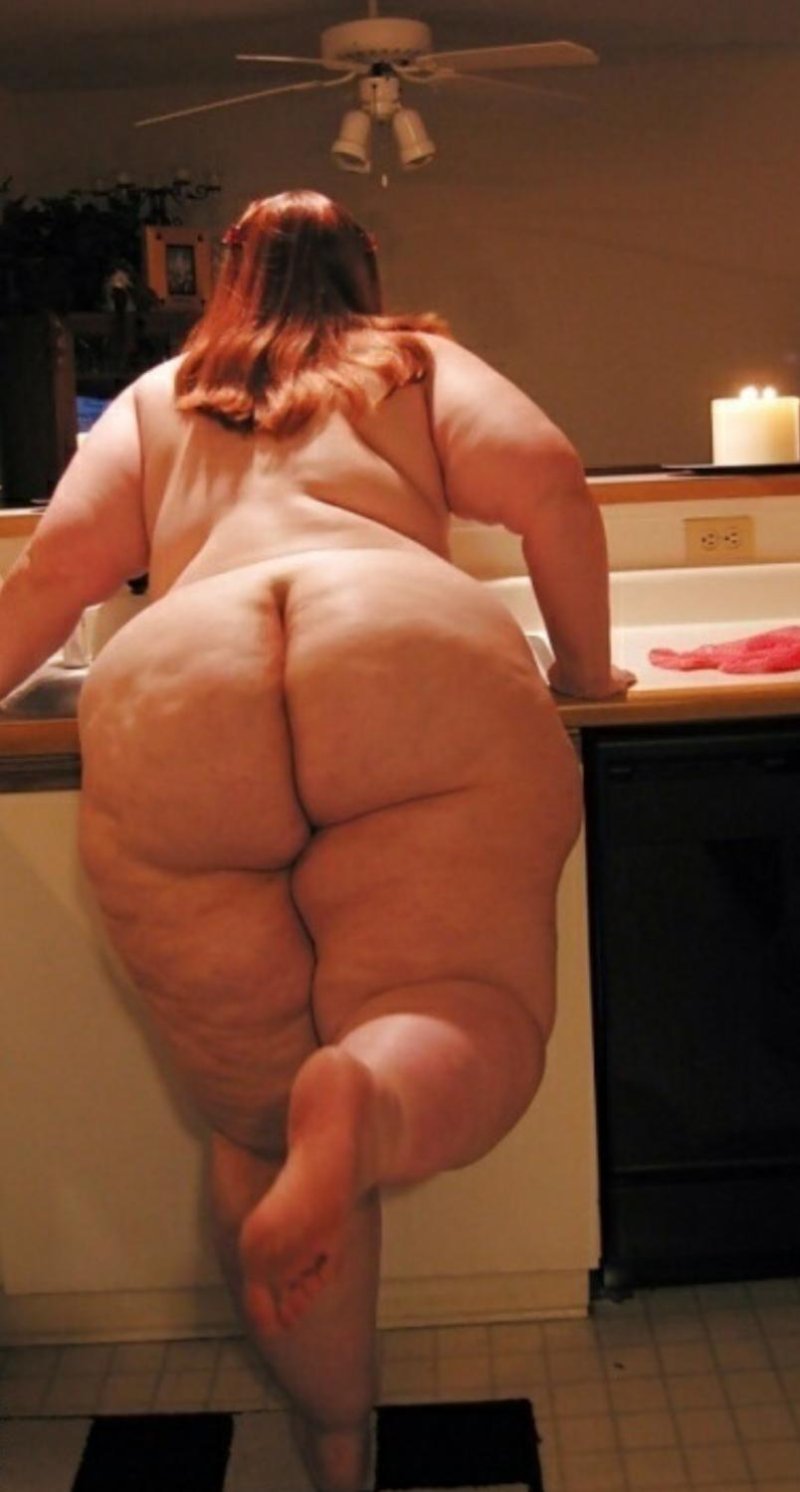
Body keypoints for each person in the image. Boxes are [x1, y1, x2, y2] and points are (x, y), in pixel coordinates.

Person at [0, 189, 633, 1492]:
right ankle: (372, 1099)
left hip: (183, 675)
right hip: (397, 635)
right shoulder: (410, 364)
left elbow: (54, 579)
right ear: (367, 267)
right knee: (453, 1005)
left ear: (225, 272)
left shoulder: (162, 397)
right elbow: (554, 486)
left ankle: (337, 1446)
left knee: (257, 1122)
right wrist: (586, 671)